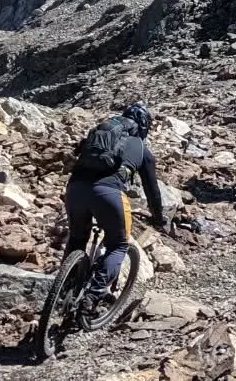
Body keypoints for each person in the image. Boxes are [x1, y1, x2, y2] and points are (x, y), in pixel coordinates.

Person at [64, 102, 165, 313]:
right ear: (144, 126)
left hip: (74, 189)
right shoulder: (142, 149)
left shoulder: (101, 136)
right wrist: (159, 218)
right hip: (108, 194)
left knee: (77, 238)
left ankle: (65, 290)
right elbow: (152, 191)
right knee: (118, 245)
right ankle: (92, 297)